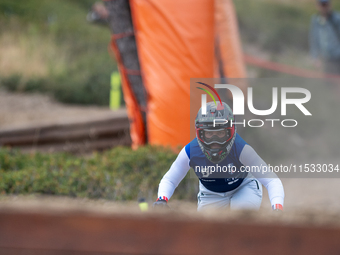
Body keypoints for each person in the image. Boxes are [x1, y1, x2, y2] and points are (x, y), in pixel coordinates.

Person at [153, 102, 284, 211]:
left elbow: (272, 180)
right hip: (211, 194)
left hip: (243, 187)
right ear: (200, 133)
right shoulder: (190, 151)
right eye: (210, 134)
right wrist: (161, 200)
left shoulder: (242, 149)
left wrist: (277, 207)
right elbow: (170, 179)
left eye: (220, 133)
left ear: (230, 131)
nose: (214, 140)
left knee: (239, 222)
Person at [310, 0, 340, 75]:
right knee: (328, 83)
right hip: (326, 59)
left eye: (326, 4)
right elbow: (314, 39)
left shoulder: (337, 19)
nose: (324, 7)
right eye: (322, 5)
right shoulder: (315, 20)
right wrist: (315, 57)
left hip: (337, 57)